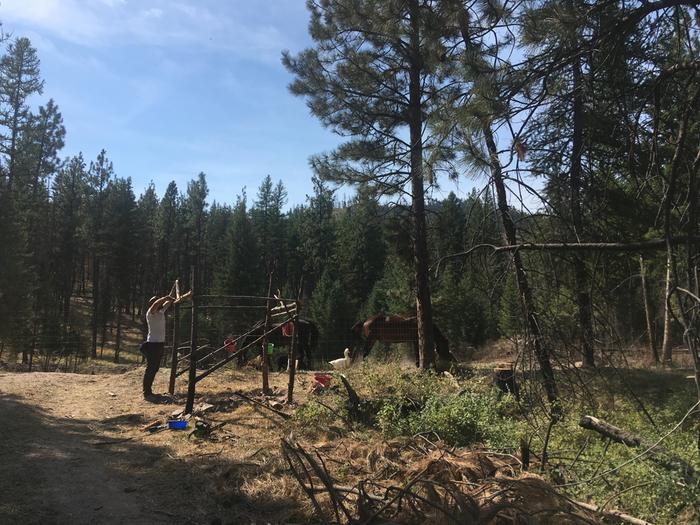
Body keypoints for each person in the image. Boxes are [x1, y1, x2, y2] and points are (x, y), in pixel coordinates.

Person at [140, 294, 173, 400]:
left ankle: (149, 391)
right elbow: (156, 303)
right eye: (156, 302)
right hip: (152, 345)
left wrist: (171, 296)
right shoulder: (150, 313)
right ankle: (147, 392)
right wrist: (164, 298)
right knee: (150, 368)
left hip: (159, 344)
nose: (159, 303)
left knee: (154, 369)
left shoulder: (161, 312)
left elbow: (169, 301)